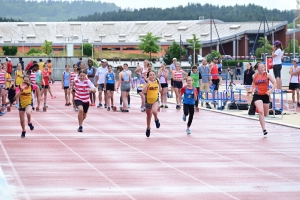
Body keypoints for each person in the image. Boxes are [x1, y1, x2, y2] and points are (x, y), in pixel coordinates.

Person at [251, 63, 276, 135]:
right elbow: (253, 83)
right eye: (260, 67)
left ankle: (261, 119)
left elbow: (275, 83)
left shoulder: (267, 75)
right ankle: (264, 129)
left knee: (265, 114)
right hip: (257, 95)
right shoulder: (254, 76)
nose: (262, 69)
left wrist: (270, 91)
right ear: (257, 69)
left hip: (265, 95)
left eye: (263, 67)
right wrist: (252, 90)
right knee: (261, 111)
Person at [142, 70, 161, 137]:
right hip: (148, 101)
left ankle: (156, 119)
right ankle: (148, 128)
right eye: (150, 75)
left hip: (155, 100)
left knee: (154, 111)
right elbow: (143, 91)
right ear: (148, 76)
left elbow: (160, 89)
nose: (152, 76)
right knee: (149, 116)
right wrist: (147, 83)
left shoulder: (157, 81)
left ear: (155, 75)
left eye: (153, 74)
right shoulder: (147, 83)